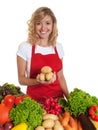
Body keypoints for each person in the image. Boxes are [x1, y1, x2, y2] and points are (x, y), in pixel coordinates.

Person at [16, 6, 69, 104]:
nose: (43, 28)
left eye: (47, 23)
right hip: (35, 102)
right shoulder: (25, 47)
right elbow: (21, 79)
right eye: (39, 23)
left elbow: (61, 77)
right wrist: (38, 81)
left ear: (53, 25)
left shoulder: (58, 47)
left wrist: (69, 99)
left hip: (57, 103)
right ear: (33, 25)